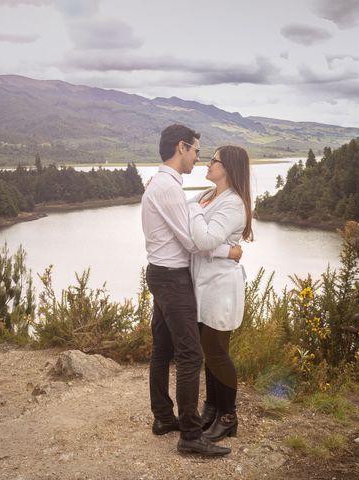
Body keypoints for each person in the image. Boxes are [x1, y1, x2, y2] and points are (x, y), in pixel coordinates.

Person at [141, 124, 241, 456]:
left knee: (162, 349)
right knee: (190, 355)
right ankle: (189, 435)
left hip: (161, 273)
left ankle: (163, 418)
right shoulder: (168, 188)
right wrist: (230, 251)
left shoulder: (164, 184)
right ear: (182, 147)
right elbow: (194, 242)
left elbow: (193, 229)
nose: (198, 158)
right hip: (172, 278)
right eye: (197, 151)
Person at [187, 145, 253, 442]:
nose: (208, 163)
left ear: (227, 167)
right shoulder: (205, 196)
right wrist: (229, 250)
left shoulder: (233, 204)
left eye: (214, 160)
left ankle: (228, 417)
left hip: (220, 288)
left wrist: (194, 217)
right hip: (203, 285)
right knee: (208, 352)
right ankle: (212, 408)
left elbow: (204, 240)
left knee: (218, 353)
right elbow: (192, 236)